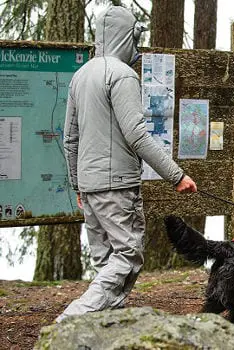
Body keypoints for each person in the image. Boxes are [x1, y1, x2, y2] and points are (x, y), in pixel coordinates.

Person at [58, 5, 197, 323]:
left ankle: (102, 327)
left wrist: (78, 184)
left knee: (107, 261)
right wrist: (176, 176)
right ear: (126, 35)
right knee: (128, 254)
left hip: (91, 189)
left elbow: (70, 140)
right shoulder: (122, 76)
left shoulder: (80, 77)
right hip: (117, 187)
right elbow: (137, 135)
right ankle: (71, 320)